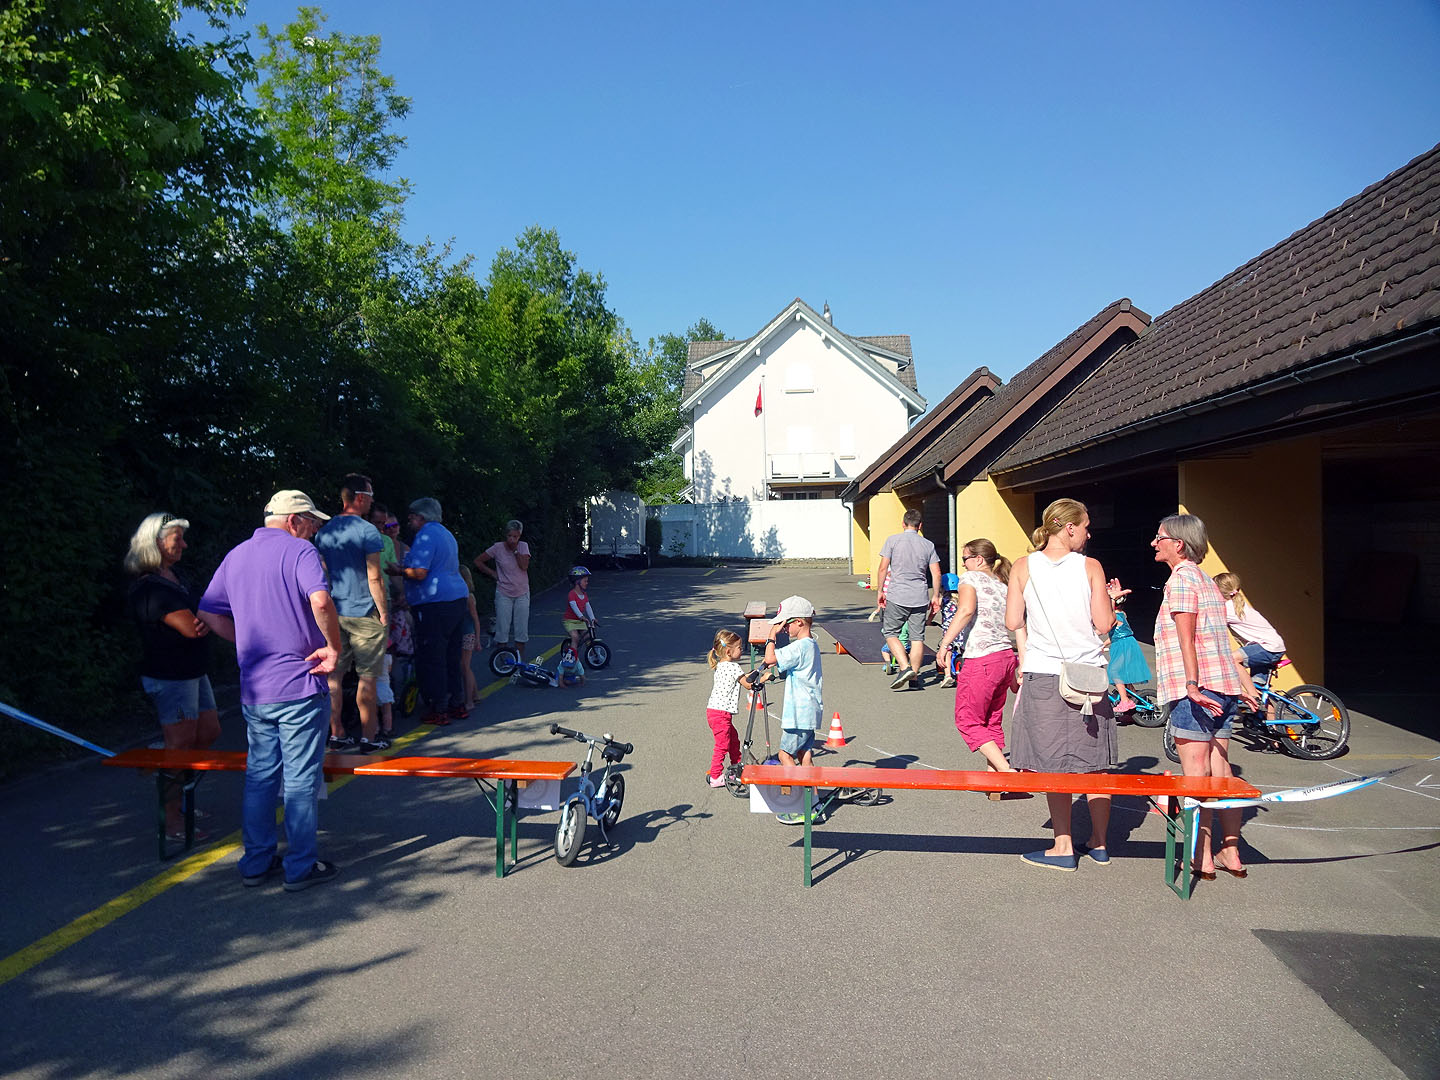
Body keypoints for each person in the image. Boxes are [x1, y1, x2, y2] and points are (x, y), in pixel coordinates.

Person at [196, 490, 341, 892]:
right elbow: (321, 601)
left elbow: (207, 612)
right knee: (299, 782)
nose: (314, 530)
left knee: (260, 777)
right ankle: (300, 867)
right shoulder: (300, 551)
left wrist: (246, 640)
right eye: (311, 522)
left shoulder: (236, 555)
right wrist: (333, 647)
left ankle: (256, 862)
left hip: (256, 688)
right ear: (294, 521)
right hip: (299, 683)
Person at [1005, 498, 1123, 872]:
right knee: (1096, 765)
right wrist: (1112, 605)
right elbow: (1103, 624)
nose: (1088, 535)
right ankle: (1100, 843)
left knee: (1054, 764)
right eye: (1086, 527)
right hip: (1087, 675)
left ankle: (1063, 846)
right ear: (1070, 527)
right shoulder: (1090, 567)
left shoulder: (1022, 566)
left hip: (1044, 673)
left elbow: (1012, 620)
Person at [1146, 517, 1258, 880]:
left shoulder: (1180, 580)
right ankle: (1231, 853)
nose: (1154, 543)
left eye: (1160, 538)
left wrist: (1192, 685)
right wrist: (1242, 685)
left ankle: (1201, 856)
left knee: (1196, 777)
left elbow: (1187, 639)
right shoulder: (1207, 581)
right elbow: (1220, 640)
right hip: (1223, 687)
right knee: (1220, 773)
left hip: (1196, 690)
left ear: (1178, 544)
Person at [124, 512, 220, 840]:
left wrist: (207, 616)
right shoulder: (149, 588)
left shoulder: (176, 576)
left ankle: (176, 789)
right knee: (179, 746)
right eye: (177, 539)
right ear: (155, 542)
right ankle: (172, 820)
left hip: (194, 672)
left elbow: (202, 614)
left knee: (209, 731)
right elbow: (194, 628)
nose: (184, 545)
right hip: (171, 676)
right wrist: (211, 617)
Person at [939, 539, 1024, 792]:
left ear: (978, 559)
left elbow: (965, 610)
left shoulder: (970, 578)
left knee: (967, 720)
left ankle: (1006, 772)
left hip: (982, 657)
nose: (963, 564)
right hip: (1005, 657)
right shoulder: (1002, 584)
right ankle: (995, 781)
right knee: (991, 720)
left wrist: (945, 643)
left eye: (964, 559)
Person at [314, 474, 389, 753]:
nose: (371, 501)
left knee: (334, 675)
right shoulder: (368, 531)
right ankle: (369, 738)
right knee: (368, 677)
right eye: (370, 496)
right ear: (359, 498)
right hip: (365, 612)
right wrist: (384, 613)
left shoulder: (324, 532)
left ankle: (337, 734)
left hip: (335, 612)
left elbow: (323, 575)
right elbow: (375, 578)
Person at [385, 498, 469, 725]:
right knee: (452, 655)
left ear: (421, 517)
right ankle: (457, 702)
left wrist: (399, 571)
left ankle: (438, 707)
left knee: (433, 656)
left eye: (412, 517)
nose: (409, 521)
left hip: (434, 603)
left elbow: (420, 572)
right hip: (456, 598)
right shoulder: (446, 534)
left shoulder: (426, 535)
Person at [764, 596, 823, 825]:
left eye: (786, 623)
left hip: (798, 713)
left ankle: (801, 806)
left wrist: (771, 636)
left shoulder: (799, 646)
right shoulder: (811, 645)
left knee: (784, 755)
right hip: (809, 711)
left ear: (799, 622)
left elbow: (770, 658)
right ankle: (814, 805)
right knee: (804, 757)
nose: (784, 628)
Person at [875, 508, 942, 689]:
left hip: (898, 594)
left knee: (890, 632)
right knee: (917, 638)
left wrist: (880, 591)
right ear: (920, 526)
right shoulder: (928, 545)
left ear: (903, 524)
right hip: (920, 596)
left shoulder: (892, 540)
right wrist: (936, 596)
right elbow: (936, 573)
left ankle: (905, 668)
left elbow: (883, 568)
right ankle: (914, 680)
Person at [474, 519, 530, 662]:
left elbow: (524, 566)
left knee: (521, 630)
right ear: (506, 535)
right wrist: (493, 573)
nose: (512, 539)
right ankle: (503, 662)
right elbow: (478, 561)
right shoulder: (497, 548)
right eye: (509, 536)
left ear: (519, 536)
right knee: (502, 629)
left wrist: (515, 551)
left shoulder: (523, 546)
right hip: (504, 592)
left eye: (515, 536)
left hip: (522, 592)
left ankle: (519, 661)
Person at [1213, 572, 1287, 674]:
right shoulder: (1238, 605)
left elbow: (1210, 621)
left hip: (1267, 647)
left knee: (1231, 660)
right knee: (1255, 682)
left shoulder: (1228, 609)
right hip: (1268, 647)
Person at [703, 629, 747, 788]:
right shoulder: (734, 667)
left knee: (733, 740)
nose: (742, 650)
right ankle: (716, 776)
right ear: (729, 651)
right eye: (739, 648)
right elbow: (748, 683)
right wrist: (763, 677)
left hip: (713, 711)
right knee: (722, 745)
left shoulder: (720, 665)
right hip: (721, 714)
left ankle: (737, 766)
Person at [458, 565, 481, 709]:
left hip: (468, 633)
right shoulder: (460, 595)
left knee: (465, 667)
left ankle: (469, 701)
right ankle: (475, 694)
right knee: (465, 666)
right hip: (462, 633)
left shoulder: (468, 597)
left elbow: (475, 619)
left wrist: (477, 639)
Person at [934, 572, 961, 687]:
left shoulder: (943, 599)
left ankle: (948, 676)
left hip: (949, 631)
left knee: (947, 651)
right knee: (964, 650)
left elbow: (933, 612)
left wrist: (928, 622)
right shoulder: (962, 599)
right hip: (961, 629)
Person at [563, 566, 596, 656]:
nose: (587, 583)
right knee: (575, 637)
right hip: (570, 621)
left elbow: (588, 607)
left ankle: (593, 654)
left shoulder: (584, 595)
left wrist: (592, 618)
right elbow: (574, 606)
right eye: (585, 581)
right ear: (577, 582)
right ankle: (571, 658)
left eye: (587, 581)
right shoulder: (572, 594)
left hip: (580, 621)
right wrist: (581, 616)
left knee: (588, 637)